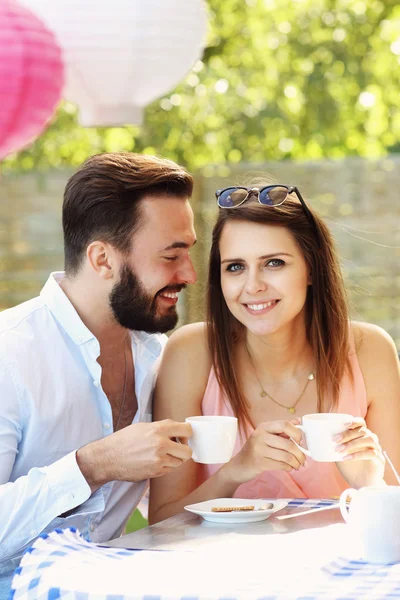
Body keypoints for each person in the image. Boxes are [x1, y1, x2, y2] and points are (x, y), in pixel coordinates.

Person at [0, 152, 197, 596]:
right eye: (171, 256)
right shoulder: (9, 354)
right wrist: (93, 465)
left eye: (189, 253)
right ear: (103, 259)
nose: (189, 274)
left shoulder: (158, 357)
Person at [149, 180, 400, 524]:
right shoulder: (191, 353)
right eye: (235, 267)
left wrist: (370, 482)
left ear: (311, 268)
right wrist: (235, 472)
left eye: (274, 263)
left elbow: (393, 526)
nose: (253, 286)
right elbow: (161, 523)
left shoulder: (370, 351)